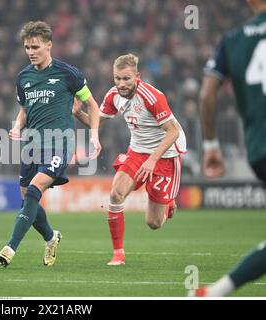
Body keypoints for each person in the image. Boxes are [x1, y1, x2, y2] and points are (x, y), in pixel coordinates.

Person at [0, 21, 101, 267]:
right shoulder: (23, 78)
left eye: (35, 46)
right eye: (26, 47)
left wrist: (94, 134)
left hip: (60, 144)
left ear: (49, 45)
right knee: (27, 201)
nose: (31, 52)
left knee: (34, 189)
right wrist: (16, 126)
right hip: (32, 146)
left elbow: (92, 106)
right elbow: (24, 110)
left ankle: (10, 248)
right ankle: (51, 237)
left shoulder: (68, 74)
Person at [73, 53, 187, 266]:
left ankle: (168, 204)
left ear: (137, 76)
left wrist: (153, 159)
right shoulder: (113, 95)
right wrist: (79, 114)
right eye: (117, 78)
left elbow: (172, 132)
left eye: (126, 78)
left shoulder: (152, 97)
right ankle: (118, 254)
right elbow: (97, 123)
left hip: (166, 153)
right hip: (137, 151)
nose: (121, 84)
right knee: (116, 194)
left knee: (153, 223)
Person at [190, 0, 266, 297]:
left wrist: (210, 145)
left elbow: (207, 94)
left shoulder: (232, 40)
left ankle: (215, 291)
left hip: (259, 151)